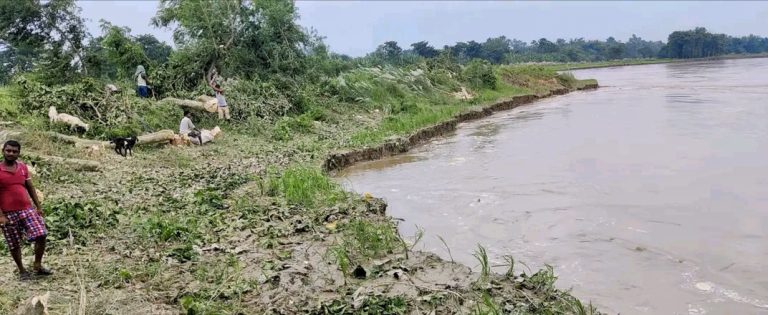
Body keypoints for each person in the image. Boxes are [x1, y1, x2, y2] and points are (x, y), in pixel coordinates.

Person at [0, 140, 51, 280]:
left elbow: (30, 187)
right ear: (3, 151)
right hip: (8, 213)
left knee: (41, 234)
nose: (11, 153)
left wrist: (38, 207)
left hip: (26, 209)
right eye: (8, 150)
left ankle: (37, 265)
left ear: (19, 153)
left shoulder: (22, 167)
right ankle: (22, 270)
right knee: (14, 243)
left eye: (14, 151)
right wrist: (1, 216)